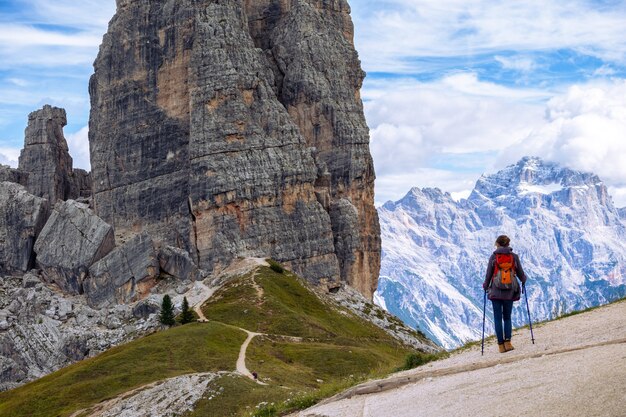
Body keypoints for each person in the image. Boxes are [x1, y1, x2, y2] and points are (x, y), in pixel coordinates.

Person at [483, 235, 527, 353]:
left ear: (497, 244)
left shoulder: (493, 257)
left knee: (497, 318)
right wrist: (523, 280)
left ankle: (501, 346)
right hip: (510, 292)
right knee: (507, 317)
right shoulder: (514, 257)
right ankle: (508, 342)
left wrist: (485, 285)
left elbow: (488, 274)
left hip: (496, 292)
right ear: (508, 244)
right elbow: (521, 274)